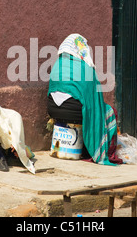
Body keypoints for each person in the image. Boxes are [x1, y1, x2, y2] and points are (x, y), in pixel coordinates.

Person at [48, 34, 122, 166]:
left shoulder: (58, 64)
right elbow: (93, 98)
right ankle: (101, 150)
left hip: (53, 109)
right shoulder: (84, 67)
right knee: (109, 111)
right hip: (74, 111)